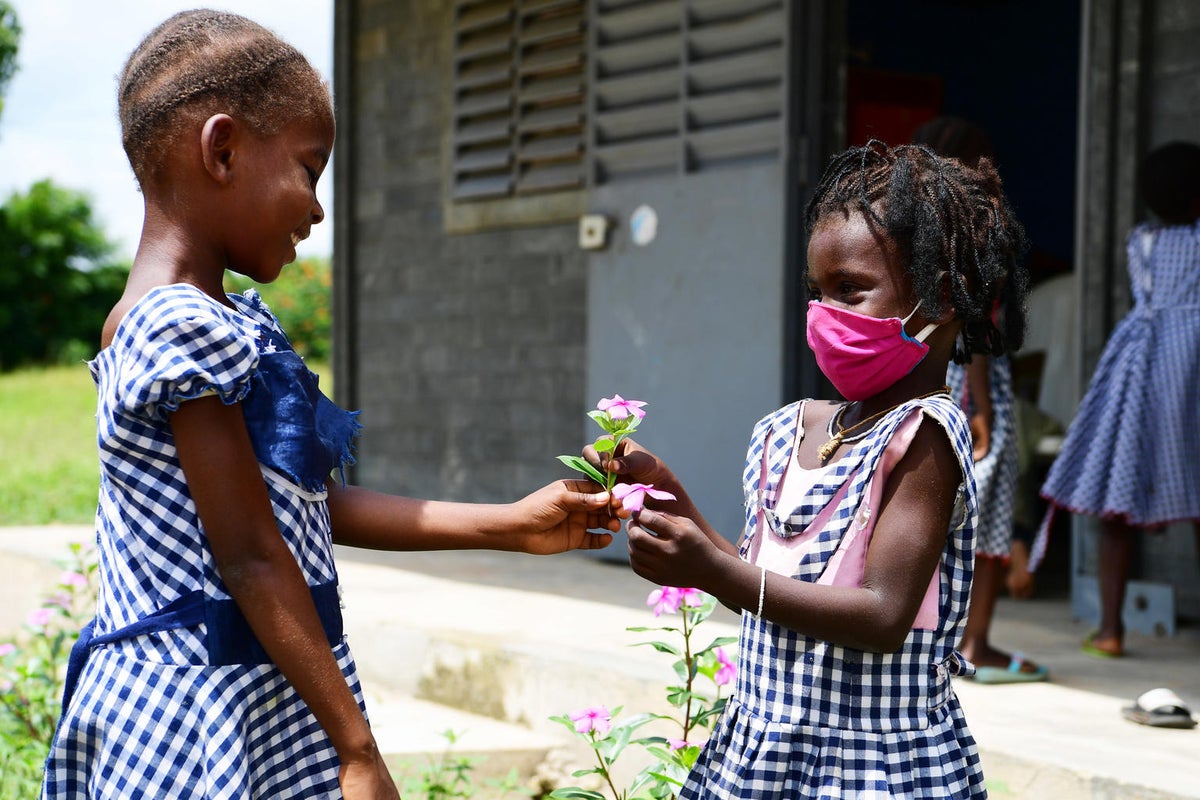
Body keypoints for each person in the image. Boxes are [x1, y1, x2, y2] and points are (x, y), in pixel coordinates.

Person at [41, 11, 616, 799]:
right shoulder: (173, 325)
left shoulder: (230, 321)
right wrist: (357, 749)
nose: (316, 208)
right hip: (194, 708)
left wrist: (509, 525)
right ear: (223, 150)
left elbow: (301, 509)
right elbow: (248, 553)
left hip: (255, 681)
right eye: (310, 169)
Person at [594, 141, 1029, 797]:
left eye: (849, 291)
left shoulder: (924, 438)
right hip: (763, 749)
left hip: (866, 771)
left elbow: (883, 615)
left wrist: (709, 571)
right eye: (817, 293)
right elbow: (760, 583)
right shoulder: (786, 430)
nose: (825, 315)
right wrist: (669, 494)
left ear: (940, 298)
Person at [1039, 141, 1200, 659]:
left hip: (1141, 362)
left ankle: (1110, 631)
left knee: (1118, 499)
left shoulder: (1142, 240)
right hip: (1190, 364)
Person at [912, 116, 1046, 683]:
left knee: (920, 511)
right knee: (985, 517)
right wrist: (985, 407)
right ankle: (978, 642)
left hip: (918, 379)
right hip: (970, 386)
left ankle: (920, 636)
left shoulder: (906, 226)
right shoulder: (979, 228)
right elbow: (981, 331)